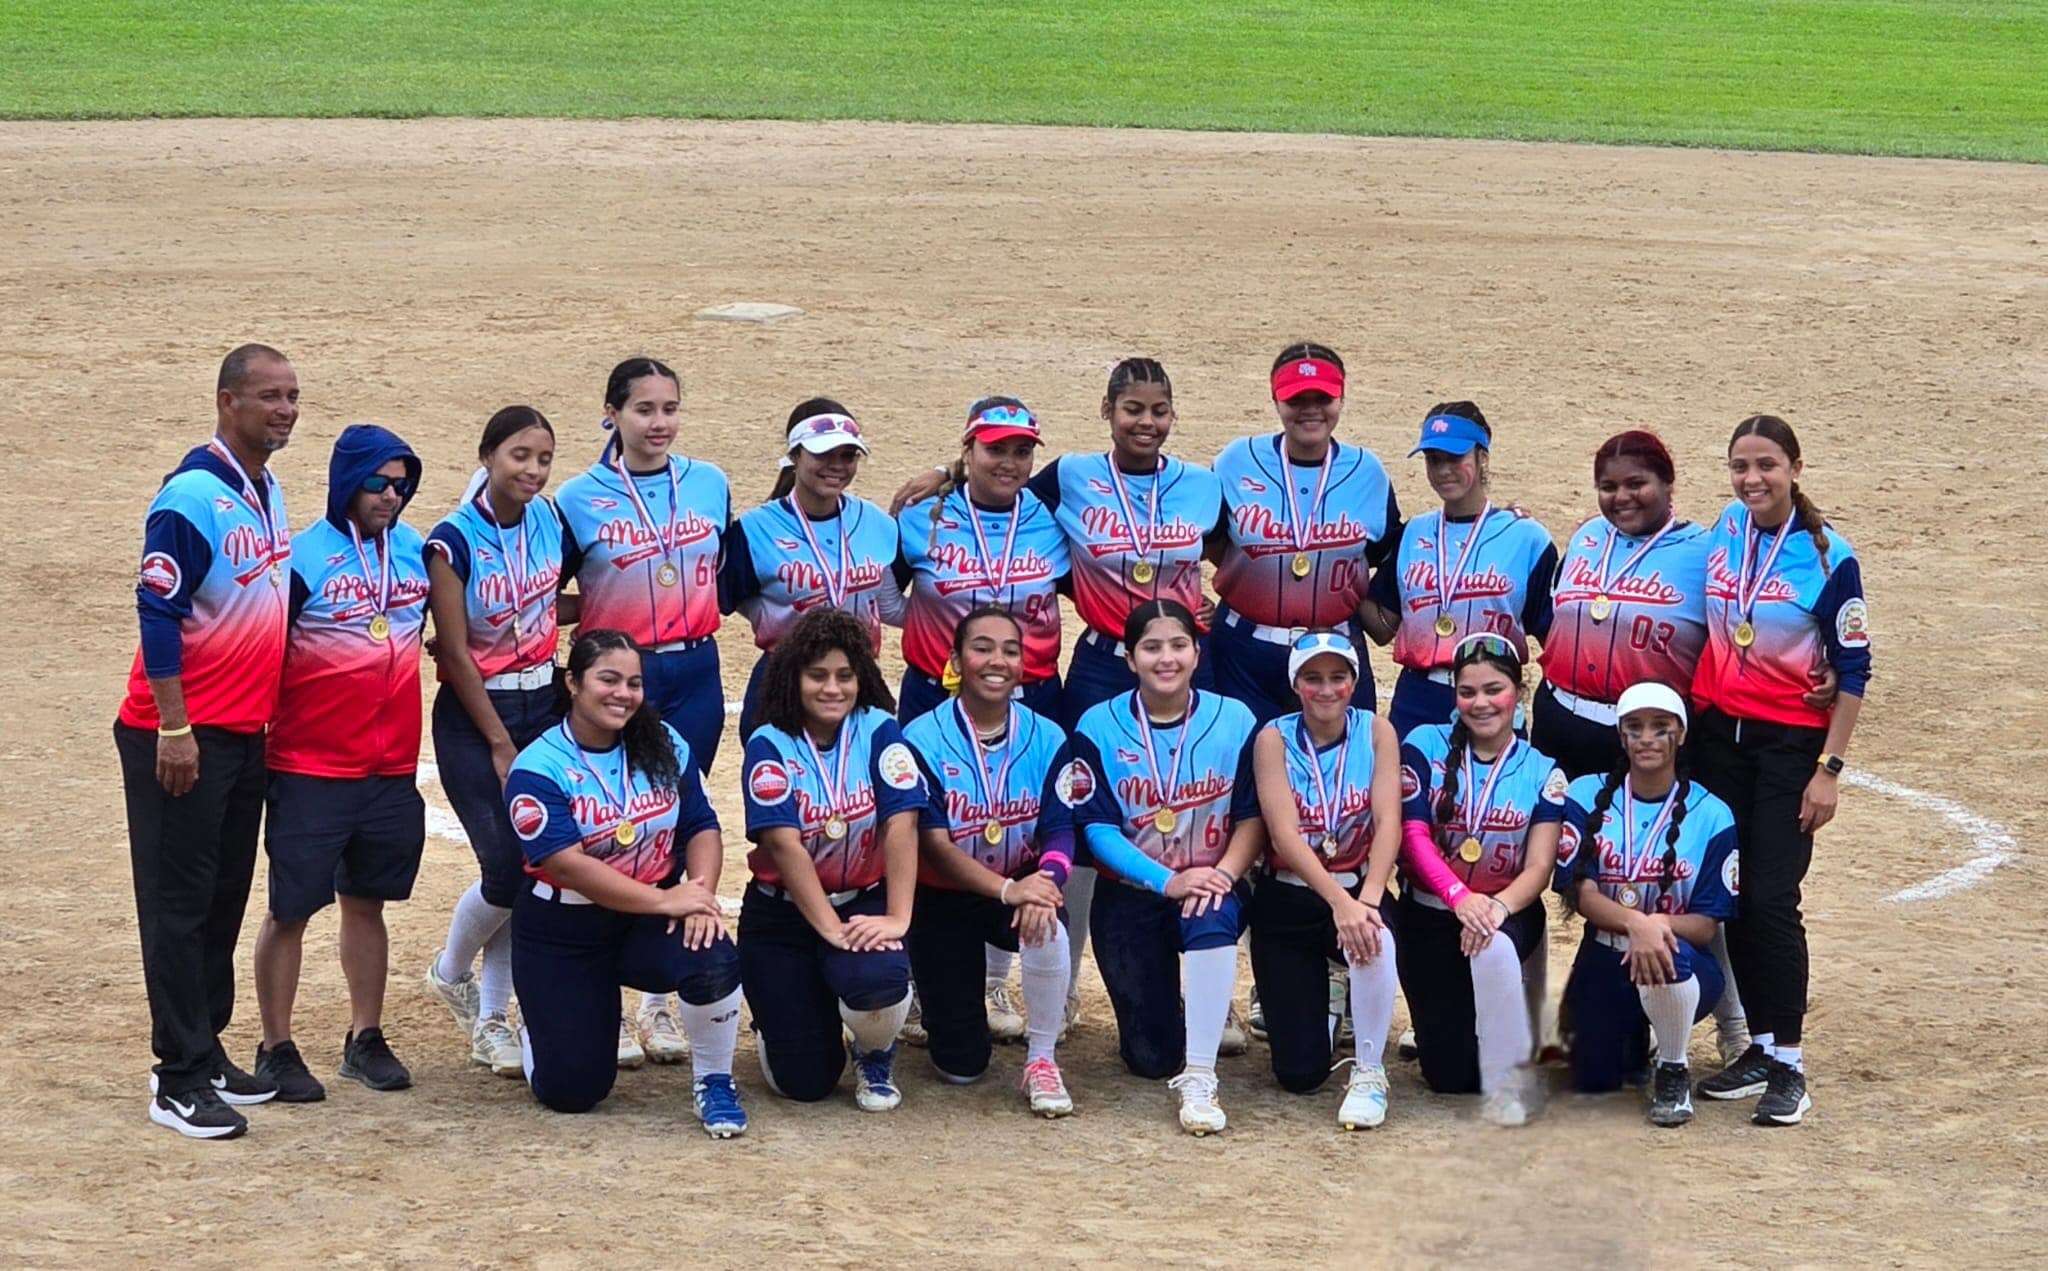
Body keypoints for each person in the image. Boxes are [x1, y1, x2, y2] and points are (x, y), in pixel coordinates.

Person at [116, 344, 297, 1138]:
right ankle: (176, 1074)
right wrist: (175, 726)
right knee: (178, 903)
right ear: (228, 402)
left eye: (292, 396)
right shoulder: (190, 496)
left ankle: (207, 1045)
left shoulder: (265, 487)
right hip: (183, 735)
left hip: (243, 729)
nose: (285, 409)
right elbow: (158, 612)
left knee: (223, 896)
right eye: (268, 396)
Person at [1690, 415, 1871, 1127]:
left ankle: (1789, 1063)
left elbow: (1854, 666)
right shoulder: (1726, 529)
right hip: (1719, 741)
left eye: (1766, 464)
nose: (1752, 479)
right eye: (1740, 465)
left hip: (1788, 746)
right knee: (1733, 892)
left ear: (1795, 467)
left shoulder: (1831, 557)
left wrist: (1829, 768)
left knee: (1770, 897)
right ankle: (1760, 1045)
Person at [555, 358, 731, 1067]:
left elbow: (727, 572)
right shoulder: (576, 496)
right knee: (610, 830)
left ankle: (659, 1005)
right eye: (643, 409)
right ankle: (596, 983)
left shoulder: (711, 483)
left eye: (670, 408)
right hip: (624, 673)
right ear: (611, 414)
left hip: (696, 669)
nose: (659, 423)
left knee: (669, 828)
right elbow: (551, 584)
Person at [503, 630, 748, 1135]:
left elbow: (701, 825)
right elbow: (568, 865)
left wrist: (699, 894)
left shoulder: (662, 741)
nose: (623, 694)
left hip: (643, 920)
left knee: (712, 951)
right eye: (608, 680)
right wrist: (664, 901)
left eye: (634, 683)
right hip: (563, 928)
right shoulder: (538, 767)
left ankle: (715, 1082)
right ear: (572, 682)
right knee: (573, 1092)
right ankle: (542, 1029)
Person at [1038, 600, 1264, 1135]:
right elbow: (1095, 830)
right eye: (1152, 647)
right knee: (1148, 1058)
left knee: (1210, 916)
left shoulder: (1234, 719)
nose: (1167, 658)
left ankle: (1202, 1070)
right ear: (1130, 657)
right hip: (1136, 892)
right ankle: (1185, 1010)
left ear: (1196, 650)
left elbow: (1252, 818)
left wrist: (1224, 876)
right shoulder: (1098, 723)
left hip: (1211, 882)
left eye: (1179, 645)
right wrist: (1167, 880)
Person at [251, 424, 428, 1102]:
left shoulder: (414, 553)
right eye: (377, 482)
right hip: (310, 765)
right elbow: (263, 652)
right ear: (345, 480)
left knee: (367, 903)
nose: (390, 495)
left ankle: (365, 1035)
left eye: (401, 484)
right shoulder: (301, 560)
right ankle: (276, 1045)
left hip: (388, 769)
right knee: (291, 908)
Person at [421, 406, 569, 1079]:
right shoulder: (450, 542)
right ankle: (452, 973)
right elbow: (453, 649)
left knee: (533, 868)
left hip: (546, 700)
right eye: (519, 455)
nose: (532, 470)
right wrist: (500, 742)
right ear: (486, 455)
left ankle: (491, 1020)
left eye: (542, 457)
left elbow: (552, 599)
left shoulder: (551, 520)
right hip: (476, 714)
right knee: (506, 866)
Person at [738, 608, 924, 1111]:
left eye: (845, 675)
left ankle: (874, 1050)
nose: (833, 688)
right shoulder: (768, 742)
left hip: (861, 898)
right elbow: (784, 844)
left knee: (879, 979)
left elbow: (901, 823)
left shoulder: (880, 729)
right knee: (803, 1084)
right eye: (817, 675)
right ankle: (780, 1016)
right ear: (793, 676)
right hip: (782, 914)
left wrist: (897, 918)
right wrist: (828, 929)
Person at [902, 606, 1073, 1116]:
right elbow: (933, 844)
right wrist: (1006, 890)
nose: (996, 660)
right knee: (961, 1066)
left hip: (1020, 884)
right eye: (981, 647)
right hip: (944, 896)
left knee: (1048, 923)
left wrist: (1046, 879)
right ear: (955, 659)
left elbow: (1061, 828)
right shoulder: (919, 737)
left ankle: (1042, 1058)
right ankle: (931, 996)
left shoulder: (1048, 736)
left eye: (1010, 650)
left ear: (1024, 664)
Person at [1394, 634, 1565, 1127]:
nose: (1481, 703)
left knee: (1491, 946)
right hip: (1431, 911)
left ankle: (1510, 1083)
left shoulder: (1542, 769)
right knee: (1449, 1077)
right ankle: (1502, 1036)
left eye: (1494, 689)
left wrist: (1493, 908)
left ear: (1519, 691)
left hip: (1505, 913)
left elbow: (1538, 867)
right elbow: (1413, 835)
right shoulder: (1423, 743)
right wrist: (1459, 896)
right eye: (1467, 692)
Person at [1554, 682, 1739, 1128]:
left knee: (1665, 958)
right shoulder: (1585, 794)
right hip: (1606, 954)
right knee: (1593, 1077)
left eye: (1661, 727)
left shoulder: (1713, 814)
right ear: (1621, 736)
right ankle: (1645, 1035)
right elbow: (1581, 893)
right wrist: (1635, 923)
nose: (1647, 738)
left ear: (1681, 734)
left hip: (1681, 960)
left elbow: (1708, 923)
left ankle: (1673, 1068)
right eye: (1634, 728)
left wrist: (1655, 927)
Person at [1248, 632, 1403, 1129]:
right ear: (1295, 685)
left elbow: (1388, 821)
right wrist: (1340, 902)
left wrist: (1369, 899)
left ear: (1355, 681)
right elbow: (1284, 834)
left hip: (1361, 883)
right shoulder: (1272, 737)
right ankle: (1331, 998)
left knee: (1374, 934)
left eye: (1338, 677)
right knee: (1299, 1073)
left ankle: (1370, 1070)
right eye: (1312, 678)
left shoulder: (1377, 731)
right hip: (1291, 896)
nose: (1327, 689)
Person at [1210, 343, 1401, 725]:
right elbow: (1210, 541)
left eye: (1323, 397)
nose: (1311, 408)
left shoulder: (1368, 472)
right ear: (1275, 399)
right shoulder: (1235, 461)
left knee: (1345, 772)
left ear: (1341, 398)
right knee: (1243, 770)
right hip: (1244, 652)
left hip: (1336, 650)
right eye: (1297, 399)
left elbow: (1388, 551)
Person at [1362, 402, 1558, 738]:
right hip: (1418, 698)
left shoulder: (1527, 538)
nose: (1443, 471)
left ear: (1483, 456)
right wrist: (1336, 580)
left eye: (1455, 458)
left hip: (1493, 698)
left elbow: (1553, 637)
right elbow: (1383, 628)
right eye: (1433, 459)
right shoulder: (1413, 533)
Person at [723, 398, 903, 741]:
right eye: (823, 454)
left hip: (858, 680)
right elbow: (727, 599)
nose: (836, 466)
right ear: (795, 455)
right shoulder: (755, 529)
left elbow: (889, 606)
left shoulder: (878, 524)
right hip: (783, 681)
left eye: (847, 456)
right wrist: (775, 620)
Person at [895, 397, 1069, 722]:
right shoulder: (923, 514)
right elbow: (882, 596)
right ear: (968, 451)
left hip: (1031, 699)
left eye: (1022, 452)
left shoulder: (1053, 512)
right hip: (935, 696)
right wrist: (928, 621)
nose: (1009, 463)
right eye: (995, 449)